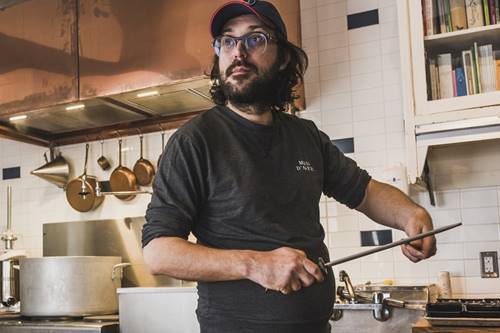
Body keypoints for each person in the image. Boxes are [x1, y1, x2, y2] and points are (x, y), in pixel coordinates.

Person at [142, 1, 437, 332]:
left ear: (283, 57)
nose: (238, 52)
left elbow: (364, 191)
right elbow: (158, 252)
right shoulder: (195, 141)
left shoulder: (305, 135)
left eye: (255, 39)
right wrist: (255, 264)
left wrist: (410, 215)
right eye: (227, 40)